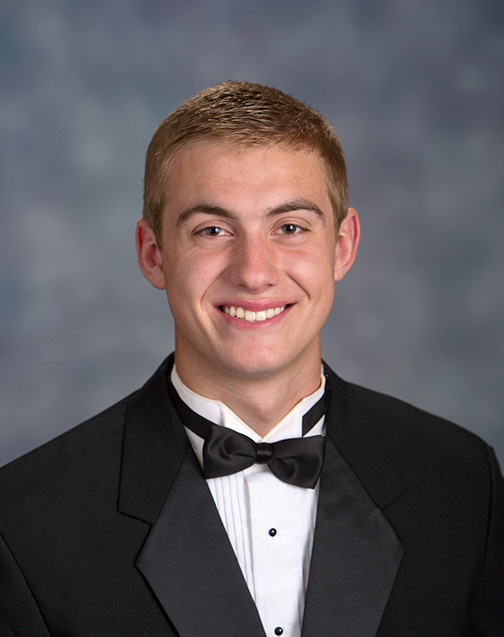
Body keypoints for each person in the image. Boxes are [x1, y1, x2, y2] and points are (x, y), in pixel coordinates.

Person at [0, 82, 502, 637]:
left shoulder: (461, 483)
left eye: (289, 228)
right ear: (153, 255)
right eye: (212, 230)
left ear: (342, 246)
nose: (254, 272)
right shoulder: (26, 521)